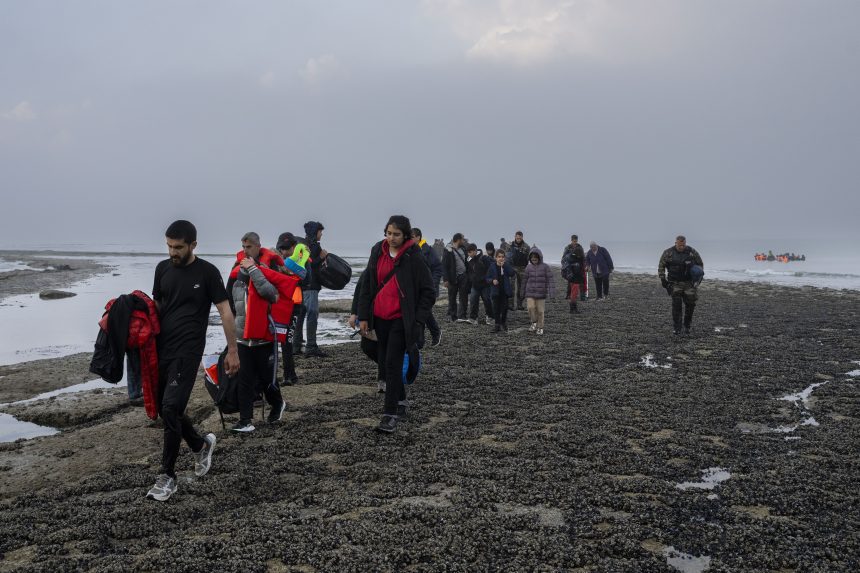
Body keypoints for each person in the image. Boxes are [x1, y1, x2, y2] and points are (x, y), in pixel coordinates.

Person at [147, 220, 239, 502]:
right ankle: (200, 445)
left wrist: (232, 350)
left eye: (178, 247)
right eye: (169, 246)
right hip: (162, 349)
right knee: (167, 410)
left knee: (172, 406)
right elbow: (158, 307)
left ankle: (167, 476)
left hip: (188, 351)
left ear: (193, 245)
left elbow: (225, 311)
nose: (172, 252)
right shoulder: (162, 269)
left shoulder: (207, 272)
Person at [357, 215, 435, 434]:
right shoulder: (377, 251)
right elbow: (367, 285)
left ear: (406, 235)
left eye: (397, 234)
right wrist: (363, 316)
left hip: (402, 320)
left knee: (391, 364)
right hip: (379, 319)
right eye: (389, 233)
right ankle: (400, 399)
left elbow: (429, 291)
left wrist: (418, 320)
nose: (392, 238)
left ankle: (389, 415)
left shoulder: (414, 256)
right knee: (381, 358)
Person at [228, 232, 299, 432]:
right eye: (243, 247)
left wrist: (254, 270)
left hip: (265, 335)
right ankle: (245, 421)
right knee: (245, 378)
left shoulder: (271, 267)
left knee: (267, 378)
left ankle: (277, 404)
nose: (245, 251)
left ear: (258, 246)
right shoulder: (237, 269)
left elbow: (272, 294)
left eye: (249, 247)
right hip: (243, 335)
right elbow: (229, 298)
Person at [275, 232, 308, 385]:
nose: (284, 251)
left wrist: (293, 276)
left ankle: (291, 376)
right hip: (281, 305)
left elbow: (309, 281)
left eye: (286, 248)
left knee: (287, 340)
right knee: (280, 340)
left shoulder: (304, 260)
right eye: (281, 248)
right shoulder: (279, 260)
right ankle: (284, 375)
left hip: (295, 305)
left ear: (294, 246)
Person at [658, 235, 704, 335]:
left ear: (685, 243)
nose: (681, 247)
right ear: (676, 243)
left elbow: (700, 265)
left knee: (691, 305)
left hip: (689, 283)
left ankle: (687, 326)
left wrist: (698, 279)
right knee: (676, 305)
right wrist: (662, 278)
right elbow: (661, 265)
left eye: (683, 245)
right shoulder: (668, 252)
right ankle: (677, 328)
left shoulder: (692, 252)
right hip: (675, 283)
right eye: (680, 245)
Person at [294, 221, 327, 358]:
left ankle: (295, 346)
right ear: (315, 232)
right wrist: (321, 257)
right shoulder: (313, 247)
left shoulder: (300, 245)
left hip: (300, 285)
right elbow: (310, 266)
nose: (321, 234)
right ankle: (311, 346)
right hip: (311, 286)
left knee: (300, 315)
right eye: (320, 231)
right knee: (312, 315)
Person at [411, 227, 443, 347]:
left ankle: (423, 339)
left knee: (423, 312)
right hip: (414, 289)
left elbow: (438, 268)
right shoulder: (409, 251)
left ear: (418, 237)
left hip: (427, 288)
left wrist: (433, 284)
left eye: (412, 236)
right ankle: (426, 338)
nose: (410, 239)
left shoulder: (428, 250)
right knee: (422, 312)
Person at [522, 247, 554, 335]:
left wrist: (552, 293)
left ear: (539, 257)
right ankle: (534, 322)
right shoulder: (528, 267)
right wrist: (522, 292)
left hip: (541, 293)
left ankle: (540, 327)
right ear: (530, 258)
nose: (534, 259)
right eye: (532, 258)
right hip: (530, 292)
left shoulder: (545, 267)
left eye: (535, 258)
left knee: (540, 311)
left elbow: (550, 280)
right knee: (530, 308)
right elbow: (524, 280)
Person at [442, 233, 469, 322]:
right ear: (458, 239)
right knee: (452, 297)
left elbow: (467, 261)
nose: (463, 240)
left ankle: (462, 315)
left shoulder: (464, 249)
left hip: (463, 276)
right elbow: (444, 266)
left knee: (463, 297)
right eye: (462, 239)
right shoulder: (448, 250)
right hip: (452, 277)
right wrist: (445, 279)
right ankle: (453, 316)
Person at [486, 249, 515, 332]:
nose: (501, 258)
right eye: (499, 257)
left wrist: (505, 266)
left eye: (502, 257)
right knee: (496, 309)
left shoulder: (506, 265)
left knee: (505, 308)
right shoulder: (492, 266)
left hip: (505, 291)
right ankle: (497, 325)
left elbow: (512, 273)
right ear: (496, 258)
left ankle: (503, 322)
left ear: (504, 258)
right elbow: (487, 278)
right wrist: (492, 280)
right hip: (495, 291)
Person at [466, 243, 494, 325]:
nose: (469, 254)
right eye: (468, 253)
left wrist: (485, 278)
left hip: (485, 285)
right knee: (473, 301)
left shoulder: (484, 258)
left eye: (471, 252)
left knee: (487, 300)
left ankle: (490, 317)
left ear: (475, 251)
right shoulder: (469, 260)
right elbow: (469, 272)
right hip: (475, 285)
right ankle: (473, 318)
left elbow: (490, 269)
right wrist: (471, 279)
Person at [561, 235, 586, 313]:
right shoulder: (568, 248)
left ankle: (581, 297)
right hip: (572, 273)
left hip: (577, 273)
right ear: (571, 240)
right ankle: (572, 306)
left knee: (578, 287)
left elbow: (583, 259)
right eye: (573, 240)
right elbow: (564, 259)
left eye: (576, 240)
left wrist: (584, 266)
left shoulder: (580, 247)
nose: (575, 242)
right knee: (573, 289)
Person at [508, 231, 531, 310]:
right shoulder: (510, 245)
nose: (518, 239)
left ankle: (519, 304)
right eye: (517, 238)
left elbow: (530, 258)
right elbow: (506, 255)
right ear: (515, 237)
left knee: (521, 287)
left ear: (522, 237)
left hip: (522, 268)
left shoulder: (527, 247)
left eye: (520, 238)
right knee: (511, 286)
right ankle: (510, 304)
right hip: (512, 267)